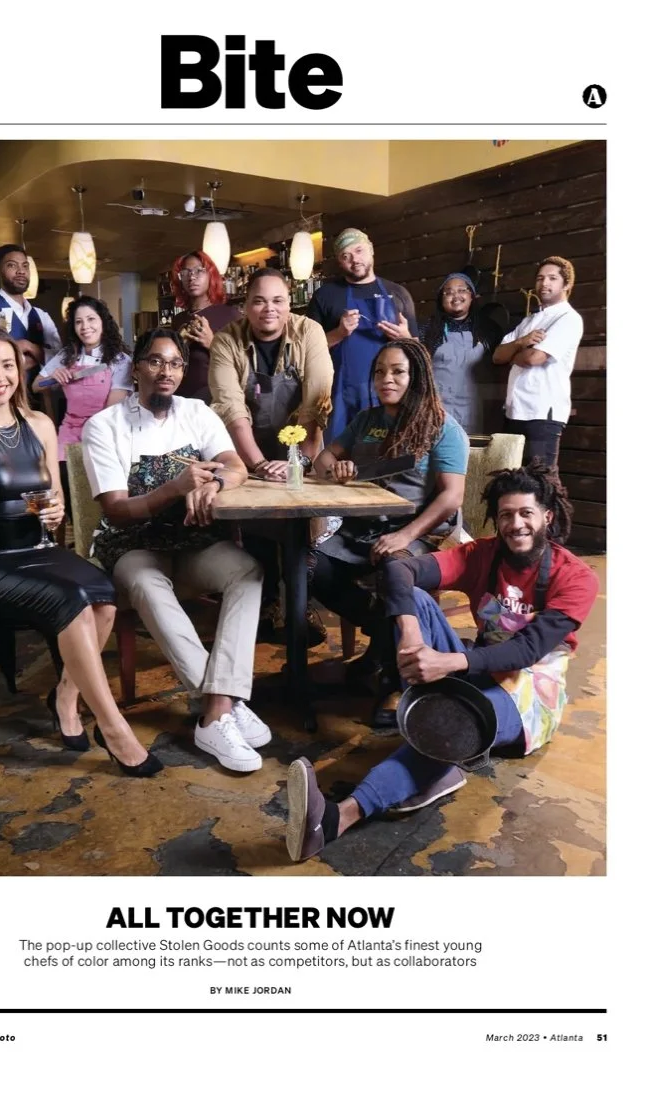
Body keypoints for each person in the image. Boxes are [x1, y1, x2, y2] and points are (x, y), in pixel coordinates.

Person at [284, 461, 599, 862]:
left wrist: (446, 663)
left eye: (526, 513)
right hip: (474, 670)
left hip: (528, 696)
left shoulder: (577, 578)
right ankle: (443, 746)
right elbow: (400, 570)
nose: (516, 524)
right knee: (412, 600)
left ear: (547, 517)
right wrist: (412, 635)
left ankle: (336, 819)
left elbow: (526, 652)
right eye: (506, 515)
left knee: (453, 720)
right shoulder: (482, 554)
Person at [0, 325, 161, 777]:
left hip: (33, 546)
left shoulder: (41, 425)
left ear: (20, 369)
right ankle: (115, 730)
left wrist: (56, 511)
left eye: (7, 365)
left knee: (103, 594)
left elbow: (54, 495)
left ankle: (66, 696)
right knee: (70, 602)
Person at [82, 327, 271, 774]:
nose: (166, 372)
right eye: (155, 361)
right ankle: (219, 708)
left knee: (247, 571)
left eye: (176, 364)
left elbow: (236, 466)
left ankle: (218, 702)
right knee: (147, 582)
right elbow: (117, 509)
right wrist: (176, 487)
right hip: (133, 546)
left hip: (191, 542)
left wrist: (217, 483)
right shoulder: (104, 426)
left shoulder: (196, 412)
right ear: (137, 366)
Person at [310, 339, 468, 695]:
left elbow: (451, 496)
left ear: (418, 377)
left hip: (415, 534)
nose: (387, 379)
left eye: (398, 372)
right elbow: (322, 460)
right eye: (380, 372)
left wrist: (406, 536)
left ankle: (391, 676)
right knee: (306, 564)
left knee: (395, 569)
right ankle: (383, 637)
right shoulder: (367, 420)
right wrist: (339, 467)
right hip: (359, 531)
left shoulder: (442, 427)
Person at [208, 267, 334, 641]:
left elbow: (317, 400)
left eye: (278, 301)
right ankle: (264, 607)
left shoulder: (308, 332)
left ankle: (301, 604)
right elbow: (231, 408)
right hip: (249, 447)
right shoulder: (226, 341)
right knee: (257, 525)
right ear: (244, 305)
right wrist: (259, 465)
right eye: (259, 301)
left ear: (288, 303)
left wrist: (301, 461)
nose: (269, 309)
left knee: (303, 526)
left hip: (302, 444)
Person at [306, 228, 418, 441]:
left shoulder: (398, 294)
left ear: (371, 250)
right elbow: (306, 351)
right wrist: (339, 333)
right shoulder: (326, 296)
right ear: (339, 262)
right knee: (337, 460)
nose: (354, 259)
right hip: (339, 397)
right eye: (345, 256)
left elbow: (419, 354)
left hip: (387, 394)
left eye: (359, 251)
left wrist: (405, 339)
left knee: (383, 456)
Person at [32, 296, 132, 517]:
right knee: (63, 489)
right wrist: (53, 378)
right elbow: (36, 385)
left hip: (105, 433)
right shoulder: (66, 356)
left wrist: (93, 435)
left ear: (103, 322)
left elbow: (112, 410)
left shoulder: (120, 360)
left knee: (98, 496)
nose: (85, 327)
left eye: (91, 319)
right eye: (78, 322)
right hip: (69, 434)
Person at [493, 256, 583, 466]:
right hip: (515, 411)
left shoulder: (568, 318)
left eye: (552, 278)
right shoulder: (528, 321)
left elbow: (534, 358)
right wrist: (522, 342)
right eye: (540, 278)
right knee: (513, 482)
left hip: (542, 414)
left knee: (540, 483)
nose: (545, 283)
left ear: (566, 284)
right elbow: (497, 356)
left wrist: (512, 356)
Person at [418, 272, 503, 434]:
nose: (455, 296)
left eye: (461, 290)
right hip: (437, 412)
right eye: (448, 292)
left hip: (477, 412)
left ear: (471, 296)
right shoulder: (428, 329)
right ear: (441, 300)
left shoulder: (489, 330)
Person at [0, 244, 62, 392]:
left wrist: (27, 346)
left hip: (41, 399)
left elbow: (58, 359)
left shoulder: (41, 315)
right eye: (12, 265)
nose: (21, 271)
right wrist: (39, 356)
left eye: (25, 266)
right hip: (0, 395)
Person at [170, 251, 241, 401]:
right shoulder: (178, 320)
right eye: (186, 272)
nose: (192, 277)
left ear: (211, 275)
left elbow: (243, 364)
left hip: (215, 399)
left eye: (199, 271)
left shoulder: (230, 315)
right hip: (180, 398)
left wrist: (211, 343)